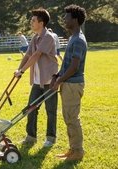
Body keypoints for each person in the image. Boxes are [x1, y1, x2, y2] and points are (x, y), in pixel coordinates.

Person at [14, 8, 58, 147]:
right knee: (31, 108)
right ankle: (31, 137)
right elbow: (27, 55)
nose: (31, 23)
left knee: (50, 110)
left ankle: (50, 138)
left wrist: (22, 70)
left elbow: (36, 55)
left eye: (33, 20)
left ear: (41, 22)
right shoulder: (34, 38)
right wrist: (18, 70)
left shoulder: (48, 37)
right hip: (37, 81)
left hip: (49, 80)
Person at [50, 4, 87, 161]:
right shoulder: (73, 38)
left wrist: (60, 80)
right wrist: (57, 74)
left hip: (72, 84)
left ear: (75, 19)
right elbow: (66, 63)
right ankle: (73, 149)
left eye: (67, 17)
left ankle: (78, 152)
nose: (64, 19)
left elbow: (74, 66)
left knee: (72, 118)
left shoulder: (78, 40)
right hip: (68, 83)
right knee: (68, 117)